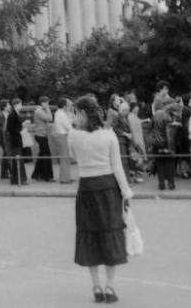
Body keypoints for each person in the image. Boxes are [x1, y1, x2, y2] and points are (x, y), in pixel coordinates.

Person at [68, 96, 133, 304]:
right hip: (108, 188)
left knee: (89, 235)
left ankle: (95, 286)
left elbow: (74, 159)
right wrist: (126, 193)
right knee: (110, 233)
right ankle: (110, 286)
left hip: (86, 188)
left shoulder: (73, 135)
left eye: (76, 112)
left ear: (84, 113)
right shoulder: (109, 135)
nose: (73, 116)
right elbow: (117, 167)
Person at [31, 96, 55, 182]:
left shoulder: (41, 110)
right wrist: (48, 109)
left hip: (42, 135)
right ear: (42, 103)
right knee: (46, 156)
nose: (48, 104)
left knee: (42, 155)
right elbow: (50, 118)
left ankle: (36, 174)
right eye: (47, 103)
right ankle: (47, 177)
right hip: (40, 136)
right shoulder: (39, 111)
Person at [5, 99, 28, 186]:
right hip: (15, 140)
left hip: (16, 139)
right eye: (20, 104)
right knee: (19, 160)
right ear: (15, 105)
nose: (21, 106)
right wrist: (21, 129)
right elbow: (11, 129)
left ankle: (15, 179)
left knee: (16, 160)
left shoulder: (15, 114)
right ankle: (20, 179)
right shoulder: (12, 115)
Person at [51, 97, 74, 184]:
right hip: (63, 136)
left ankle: (66, 176)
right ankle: (65, 179)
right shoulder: (61, 114)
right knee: (64, 158)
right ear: (64, 105)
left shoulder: (60, 113)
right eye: (67, 104)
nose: (69, 105)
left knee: (65, 158)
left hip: (62, 136)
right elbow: (68, 125)